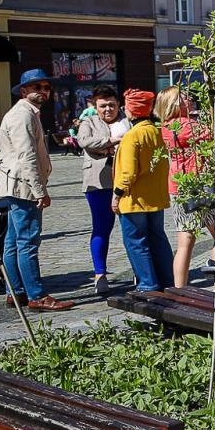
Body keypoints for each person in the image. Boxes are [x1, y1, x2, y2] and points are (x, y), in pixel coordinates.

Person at [0, 69, 72, 310]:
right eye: (37, 87)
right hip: (23, 186)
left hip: (15, 184)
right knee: (27, 241)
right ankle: (36, 295)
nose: (43, 91)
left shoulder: (24, 113)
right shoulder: (23, 115)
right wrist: (39, 191)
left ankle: (15, 292)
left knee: (13, 241)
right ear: (24, 90)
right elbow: (27, 156)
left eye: (46, 87)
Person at [112, 89, 175, 293]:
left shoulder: (132, 136)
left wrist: (117, 194)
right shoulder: (157, 131)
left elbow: (128, 172)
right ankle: (167, 280)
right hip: (155, 197)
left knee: (136, 241)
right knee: (158, 239)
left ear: (131, 110)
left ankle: (148, 283)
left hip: (135, 199)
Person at [155, 85, 209, 289]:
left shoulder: (166, 126)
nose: (190, 100)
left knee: (186, 239)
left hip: (178, 185)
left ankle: (180, 288)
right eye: (185, 97)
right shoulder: (185, 125)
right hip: (196, 184)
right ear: (174, 103)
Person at [75, 86, 126, 296]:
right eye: (103, 106)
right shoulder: (88, 122)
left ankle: (140, 271)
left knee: (131, 228)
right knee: (101, 227)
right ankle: (100, 273)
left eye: (111, 105)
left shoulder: (127, 120)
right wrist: (113, 141)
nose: (108, 109)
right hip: (98, 182)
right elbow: (85, 142)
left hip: (127, 181)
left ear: (118, 104)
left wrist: (103, 147)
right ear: (95, 107)